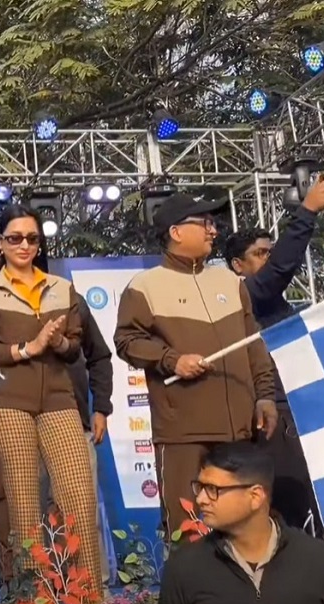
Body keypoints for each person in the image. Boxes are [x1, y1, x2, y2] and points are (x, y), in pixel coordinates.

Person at [115, 194, 278, 538]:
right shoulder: (144, 286)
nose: (213, 231)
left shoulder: (231, 283)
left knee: (244, 528)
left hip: (240, 433)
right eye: (204, 223)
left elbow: (253, 344)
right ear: (176, 232)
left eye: (213, 223)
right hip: (182, 434)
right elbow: (126, 342)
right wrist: (172, 359)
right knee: (187, 530)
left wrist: (265, 395)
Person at [0, 204, 103, 592]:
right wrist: (28, 348)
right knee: (24, 508)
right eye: (15, 238)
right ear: (0, 243)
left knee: (79, 499)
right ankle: (34, 603)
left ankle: (89, 603)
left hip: (59, 398)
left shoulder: (62, 288)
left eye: (31, 238)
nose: (24, 245)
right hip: (7, 401)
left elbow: (76, 347)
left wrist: (58, 343)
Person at [223, 175, 324, 537]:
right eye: (260, 254)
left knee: (316, 502)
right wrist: (307, 211)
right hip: (272, 416)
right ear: (237, 265)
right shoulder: (246, 295)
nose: (270, 259)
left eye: (271, 252)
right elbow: (278, 272)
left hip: (304, 408)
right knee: (287, 503)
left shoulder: (279, 306)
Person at [0, 289, 113, 581]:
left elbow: (99, 356)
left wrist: (101, 407)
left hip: (74, 422)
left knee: (82, 512)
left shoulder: (70, 301)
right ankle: (38, 594)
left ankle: (94, 593)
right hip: (20, 424)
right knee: (30, 519)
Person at [157, 441, 324, 604]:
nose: (201, 499)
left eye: (212, 489)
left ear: (256, 496)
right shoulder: (184, 568)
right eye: (199, 487)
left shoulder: (323, 562)